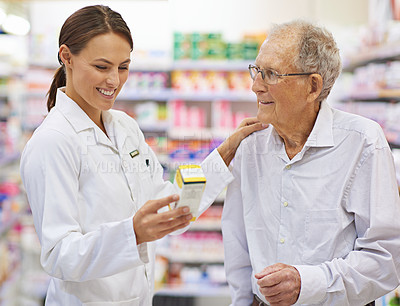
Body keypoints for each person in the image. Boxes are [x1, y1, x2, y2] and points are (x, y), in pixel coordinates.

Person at [20, 5, 265, 305]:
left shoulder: (124, 127)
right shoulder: (53, 141)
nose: (114, 80)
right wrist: (131, 234)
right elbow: (59, 254)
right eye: (102, 67)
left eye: (123, 67)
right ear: (66, 57)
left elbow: (166, 204)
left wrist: (224, 153)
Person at [221, 20, 400, 306]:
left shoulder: (362, 143)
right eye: (256, 71)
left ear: (313, 86)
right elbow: (237, 244)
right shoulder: (250, 146)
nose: (256, 87)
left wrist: (308, 284)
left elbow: (385, 259)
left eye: (270, 75)